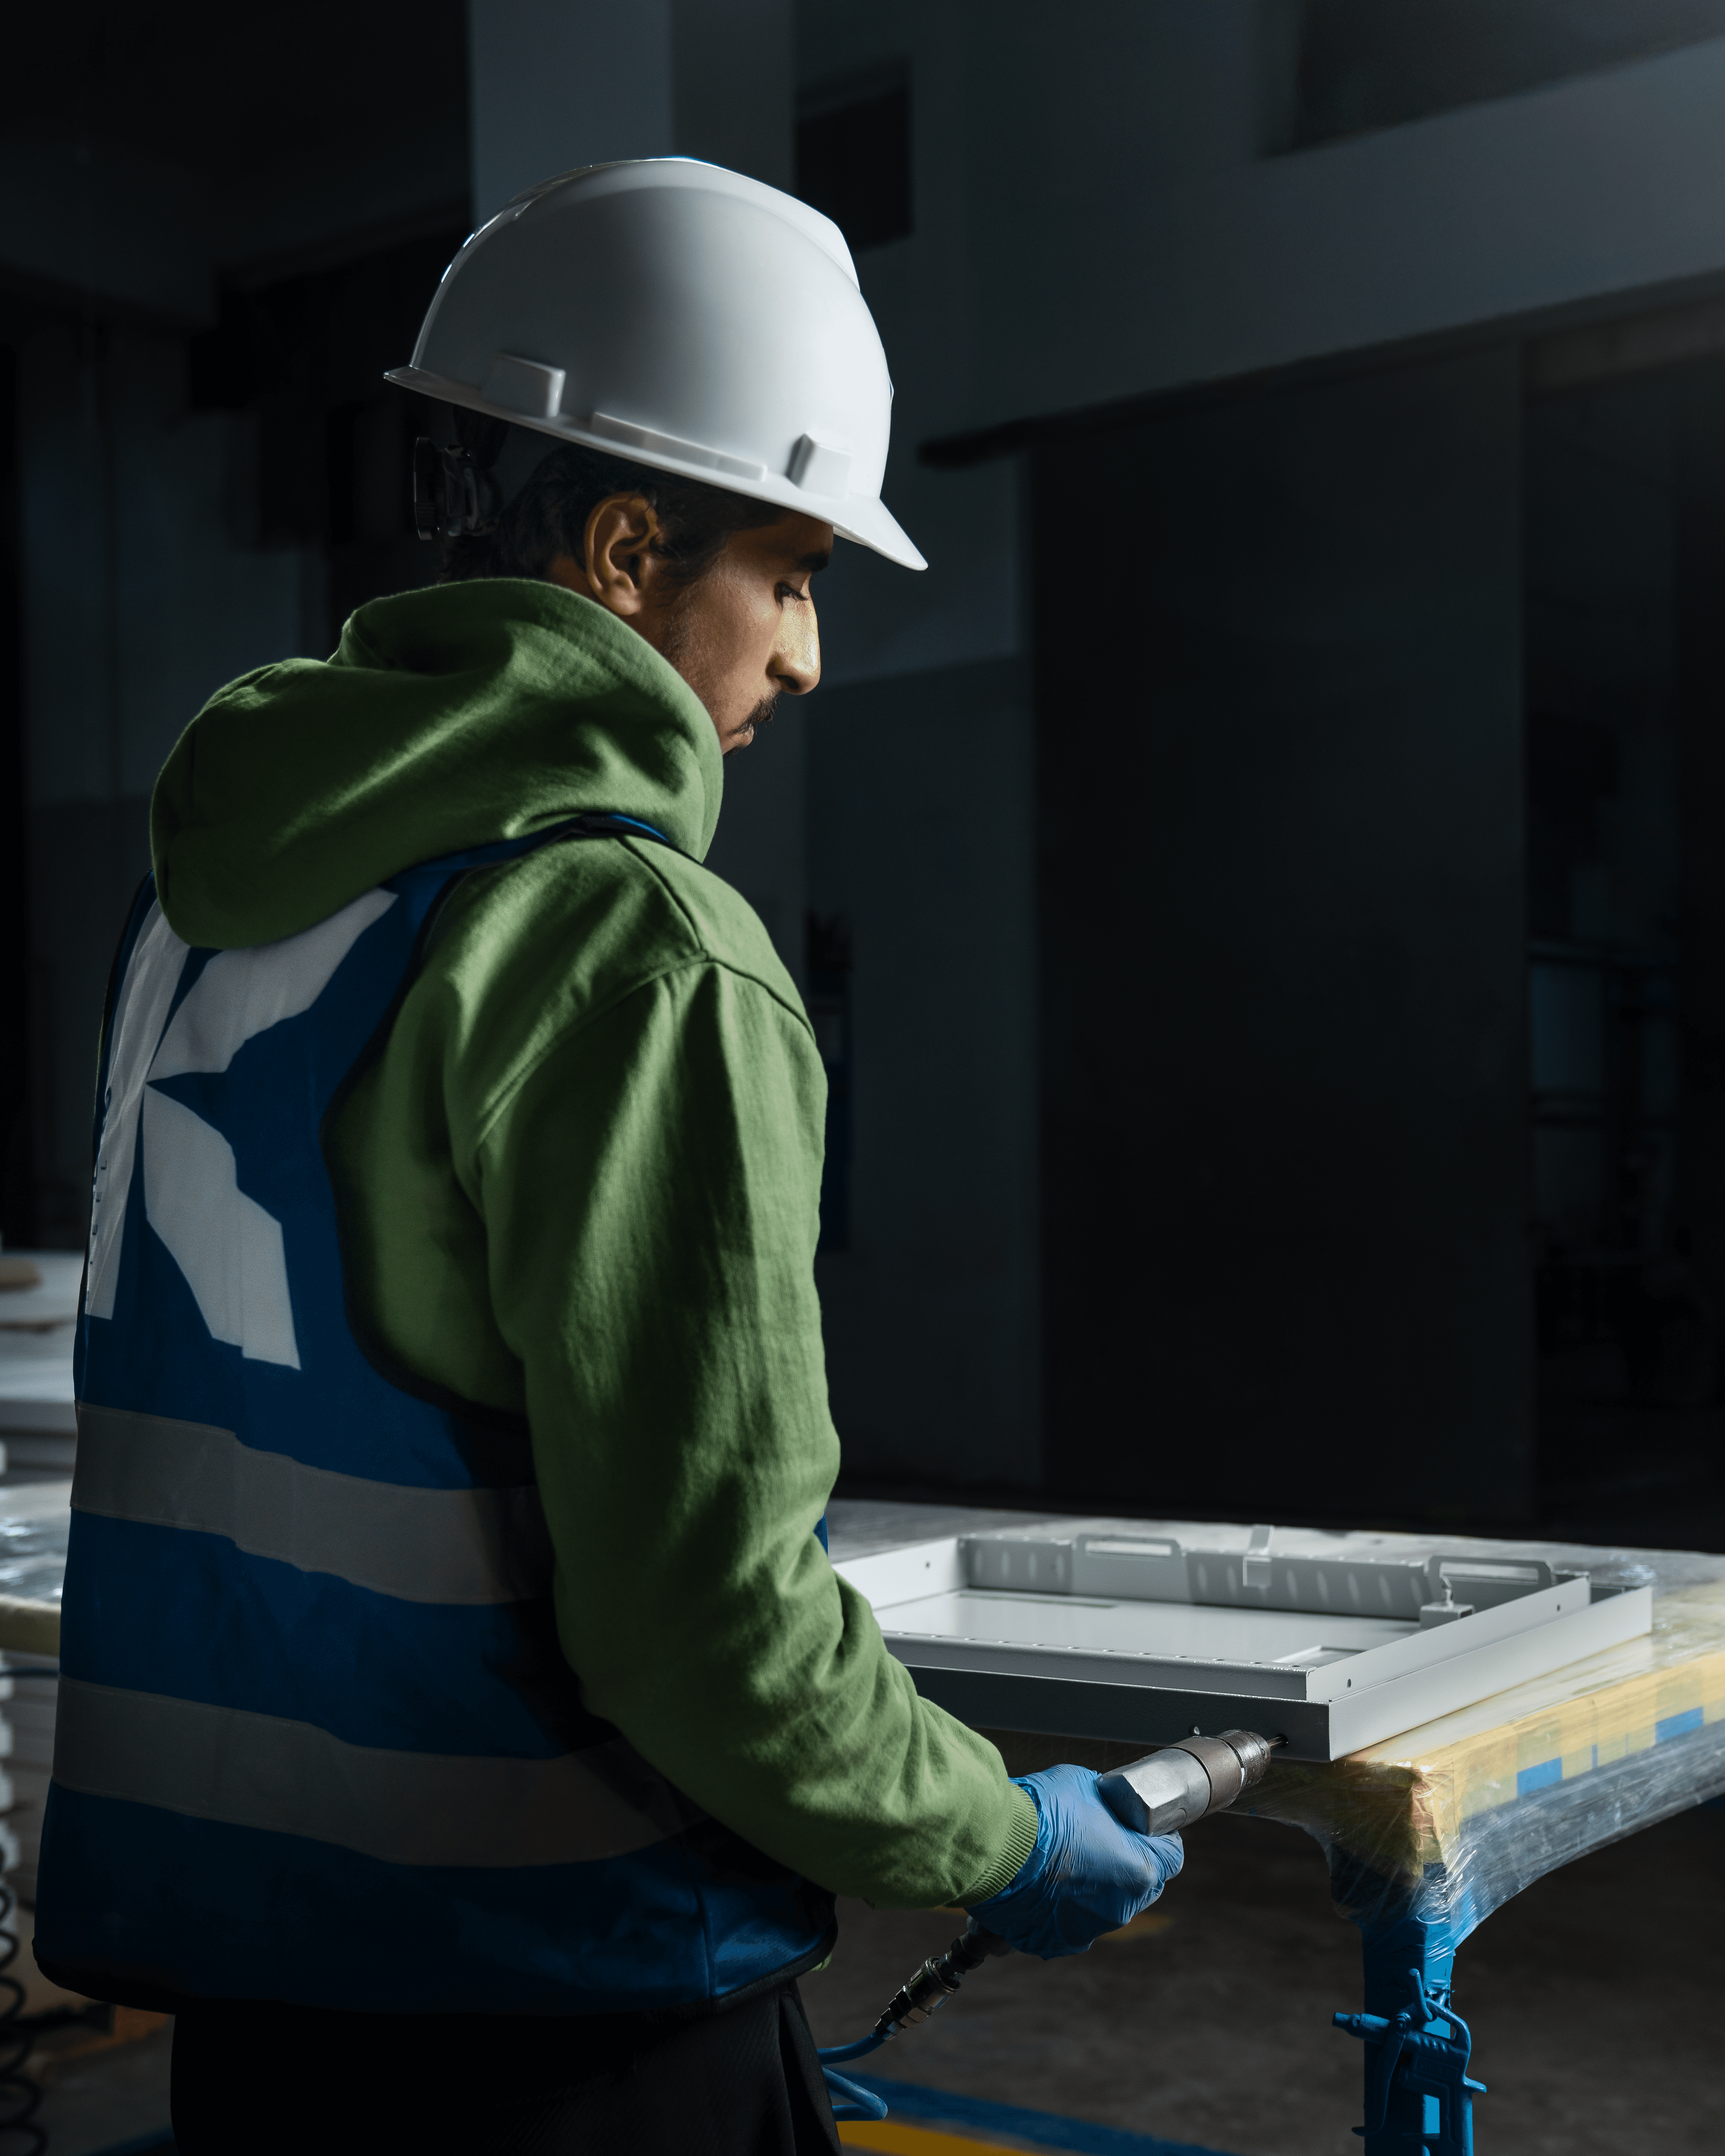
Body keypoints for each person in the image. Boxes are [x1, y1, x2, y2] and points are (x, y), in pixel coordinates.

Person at [34, 161, 1181, 2154]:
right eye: (796, 576)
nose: (807, 660)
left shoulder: (204, 912)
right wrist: (997, 1840)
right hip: (561, 2006)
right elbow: (709, 1624)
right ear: (635, 546)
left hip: (257, 2013)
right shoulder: (631, 945)